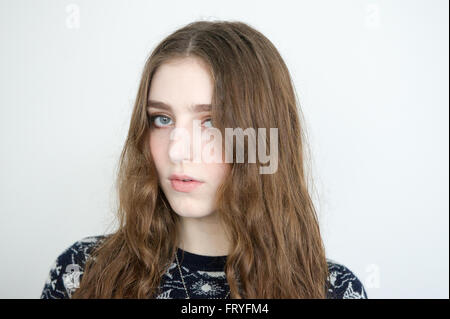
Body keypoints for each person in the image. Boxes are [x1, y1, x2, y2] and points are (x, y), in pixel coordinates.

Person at [40, 20, 368, 299]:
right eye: (162, 119)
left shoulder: (331, 290)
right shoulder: (83, 274)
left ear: (261, 139)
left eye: (210, 122)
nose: (177, 151)